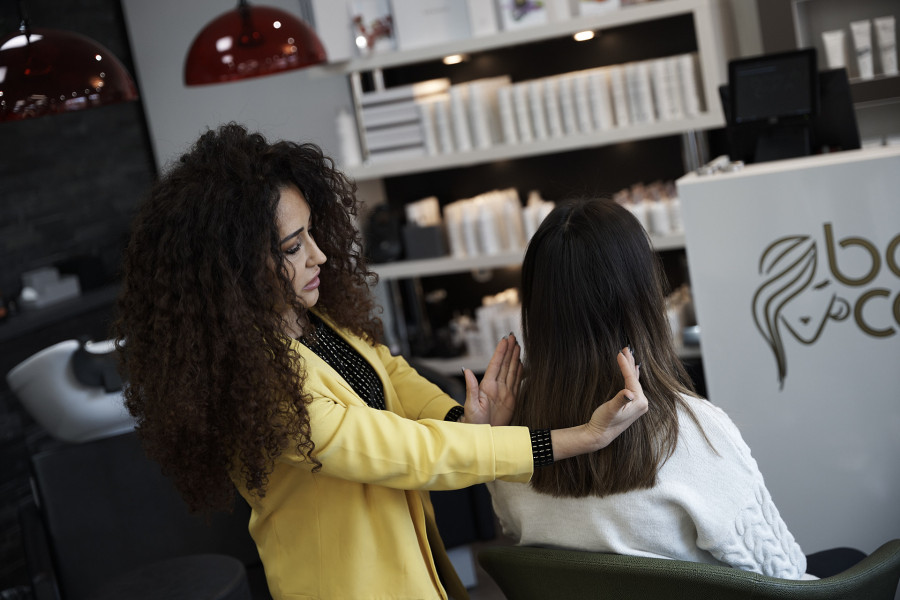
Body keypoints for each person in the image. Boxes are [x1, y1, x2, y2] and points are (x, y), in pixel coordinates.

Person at [113, 124, 648, 600]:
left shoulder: (306, 320)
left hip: (410, 564)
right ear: (234, 268)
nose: (319, 255)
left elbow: (387, 373)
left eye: (312, 235)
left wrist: (463, 419)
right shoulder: (262, 386)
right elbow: (403, 452)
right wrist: (579, 437)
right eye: (293, 247)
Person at [487, 197, 862, 580]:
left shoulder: (505, 443)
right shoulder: (691, 430)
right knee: (850, 558)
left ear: (536, 305)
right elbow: (784, 573)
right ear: (644, 296)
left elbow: (515, 532)